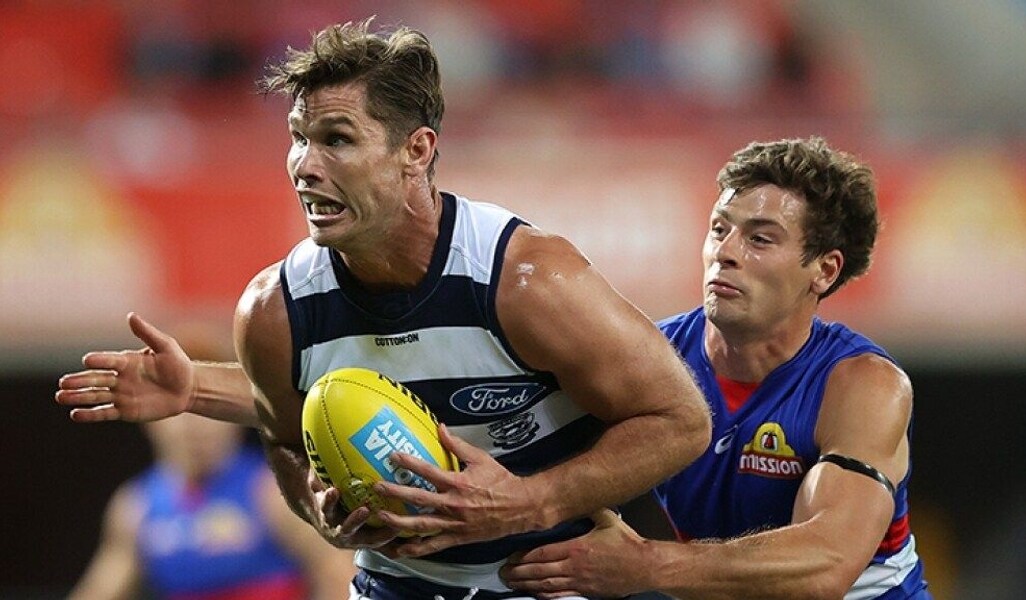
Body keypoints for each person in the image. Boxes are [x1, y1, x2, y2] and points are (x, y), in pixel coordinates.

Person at [56, 19, 711, 600]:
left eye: (336, 139)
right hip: (390, 586)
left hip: (550, 582)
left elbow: (680, 420)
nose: (305, 166)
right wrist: (318, 508)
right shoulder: (275, 310)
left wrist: (533, 500)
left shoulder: (525, 279)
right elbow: (286, 440)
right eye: (298, 138)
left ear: (415, 151)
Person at [502, 137, 932, 599]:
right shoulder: (652, 358)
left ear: (824, 271)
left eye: (760, 239)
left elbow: (823, 568)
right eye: (719, 229)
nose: (726, 251)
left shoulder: (864, 384)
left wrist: (642, 564)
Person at [69, 327, 354, 600]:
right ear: (149, 419)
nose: (196, 426)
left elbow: (339, 576)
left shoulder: (273, 492)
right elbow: (101, 591)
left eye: (207, 411)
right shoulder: (137, 507)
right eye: (181, 412)